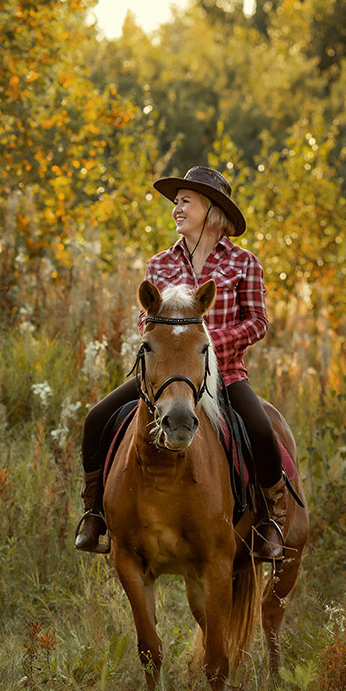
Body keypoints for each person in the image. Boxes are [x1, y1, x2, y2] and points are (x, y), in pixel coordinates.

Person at [73, 165, 289, 561]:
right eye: (176, 202)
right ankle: (94, 513)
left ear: (211, 210)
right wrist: (171, 344)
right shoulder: (159, 264)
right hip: (166, 375)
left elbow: (257, 321)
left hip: (225, 375)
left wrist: (204, 344)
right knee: (96, 418)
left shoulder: (244, 264)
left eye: (185, 201)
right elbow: (145, 319)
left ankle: (271, 518)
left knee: (260, 430)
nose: (176, 208)